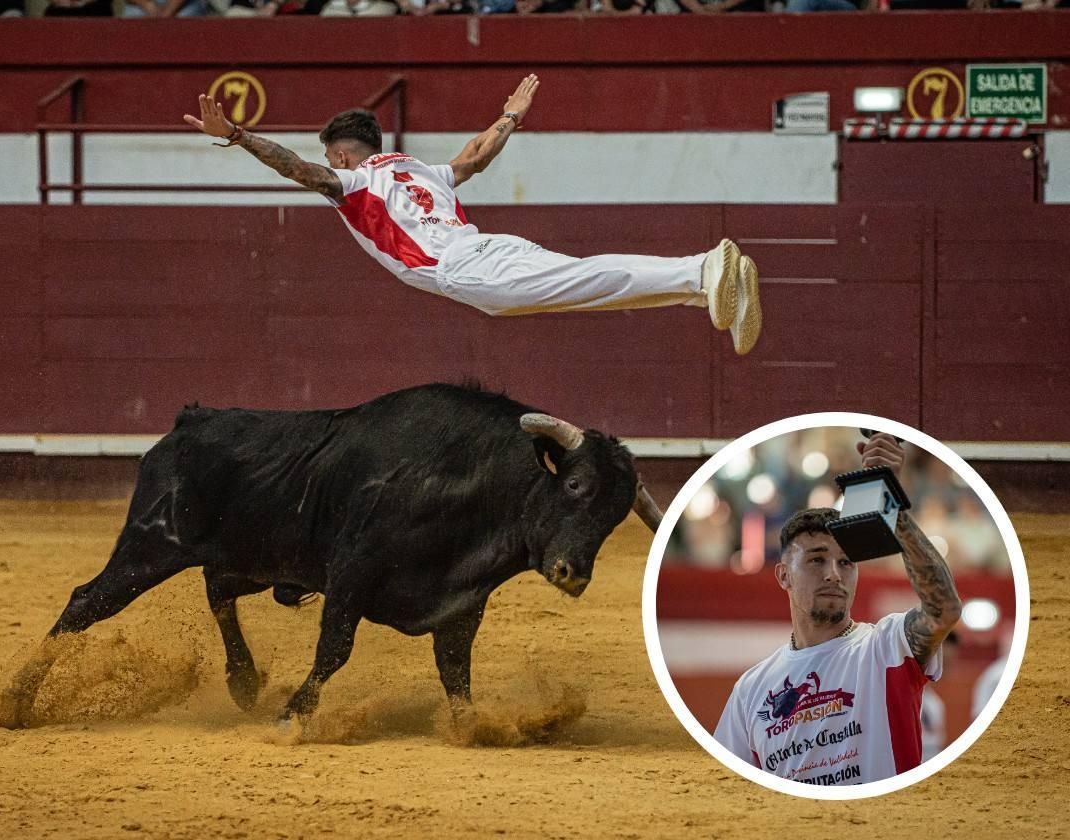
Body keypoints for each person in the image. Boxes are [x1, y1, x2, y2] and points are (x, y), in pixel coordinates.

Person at [184, 75, 762, 354]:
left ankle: (703, 269)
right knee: (582, 285)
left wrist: (237, 134)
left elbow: (297, 170)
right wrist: (508, 117)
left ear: (339, 153)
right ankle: (705, 291)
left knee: (584, 280)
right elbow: (476, 157)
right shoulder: (418, 168)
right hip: (488, 248)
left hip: (463, 269)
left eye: (327, 157)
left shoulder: (354, 181)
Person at [714, 434, 963, 785]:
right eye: (817, 560)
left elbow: (945, 609)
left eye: (846, 563)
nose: (834, 574)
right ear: (783, 575)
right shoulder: (750, 690)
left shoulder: (887, 645)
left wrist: (893, 504)